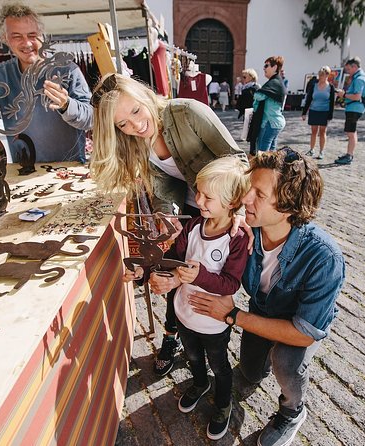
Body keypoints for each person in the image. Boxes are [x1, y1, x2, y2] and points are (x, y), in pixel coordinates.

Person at [182, 148, 345, 446]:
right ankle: (256, 367)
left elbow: (304, 333)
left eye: (259, 194)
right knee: (249, 371)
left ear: (289, 203)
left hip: (297, 327)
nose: (246, 200)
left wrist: (232, 316)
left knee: (286, 361)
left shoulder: (324, 257)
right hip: (262, 311)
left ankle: (292, 411)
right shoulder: (247, 232)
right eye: (249, 190)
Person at [89, 73, 249, 377]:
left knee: (228, 273)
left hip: (222, 207)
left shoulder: (187, 111)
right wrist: (168, 216)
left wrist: (238, 209)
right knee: (179, 270)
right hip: (192, 210)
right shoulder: (135, 143)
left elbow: (237, 159)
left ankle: (228, 338)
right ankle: (174, 335)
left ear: (144, 95)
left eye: (135, 111)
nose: (135, 126)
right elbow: (163, 185)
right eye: (122, 124)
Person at [132, 156, 249, 440]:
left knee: (219, 367)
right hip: (184, 314)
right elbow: (173, 258)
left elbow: (230, 284)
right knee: (194, 356)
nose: (198, 199)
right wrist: (146, 271)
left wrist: (198, 276)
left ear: (232, 202)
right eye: (198, 192)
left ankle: (223, 404)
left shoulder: (236, 238)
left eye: (208, 196)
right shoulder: (194, 225)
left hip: (213, 323)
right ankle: (199, 384)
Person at [0, 2, 93, 163]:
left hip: (69, 168)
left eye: (32, 35)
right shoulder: (0, 74)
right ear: (6, 39)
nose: (26, 43)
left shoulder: (67, 70)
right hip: (24, 171)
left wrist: (67, 105)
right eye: (17, 36)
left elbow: (92, 118)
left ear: (43, 36)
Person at [247, 56, 286, 156]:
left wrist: (254, 91)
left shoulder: (274, 82)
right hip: (274, 123)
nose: (264, 68)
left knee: (262, 154)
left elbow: (259, 96)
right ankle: (271, 171)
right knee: (271, 154)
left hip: (269, 122)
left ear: (274, 67)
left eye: (266, 65)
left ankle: (262, 171)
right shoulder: (276, 82)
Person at [335, 57, 365, 165]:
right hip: (353, 107)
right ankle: (349, 154)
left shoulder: (359, 79)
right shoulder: (358, 77)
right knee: (351, 132)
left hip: (354, 108)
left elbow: (357, 96)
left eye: (349, 69)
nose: (348, 72)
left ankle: (349, 155)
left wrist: (343, 94)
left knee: (351, 133)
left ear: (354, 66)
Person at [301, 66, 335, 160]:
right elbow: (309, 99)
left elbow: (332, 102)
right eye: (320, 75)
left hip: (324, 111)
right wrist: (304, 112)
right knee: (314, 131)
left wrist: (330, 115)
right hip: (314, 110)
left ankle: (321, 151)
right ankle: (311, 149)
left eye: (323, 75)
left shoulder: (331, 87)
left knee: (322, 131)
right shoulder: (314, 86)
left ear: (327, 75)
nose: (321, 77)